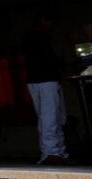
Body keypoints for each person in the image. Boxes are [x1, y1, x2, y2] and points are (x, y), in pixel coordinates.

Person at [22, 11, 71, 166]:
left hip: (44, 80)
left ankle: (59, 152)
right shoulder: (37, 38)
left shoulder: (37, 38)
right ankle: (50, 153)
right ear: (43, 21)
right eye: (51, 23)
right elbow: (48, 60)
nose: (52, 27)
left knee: (56, 117)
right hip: (44, 80)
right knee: (49, 117)